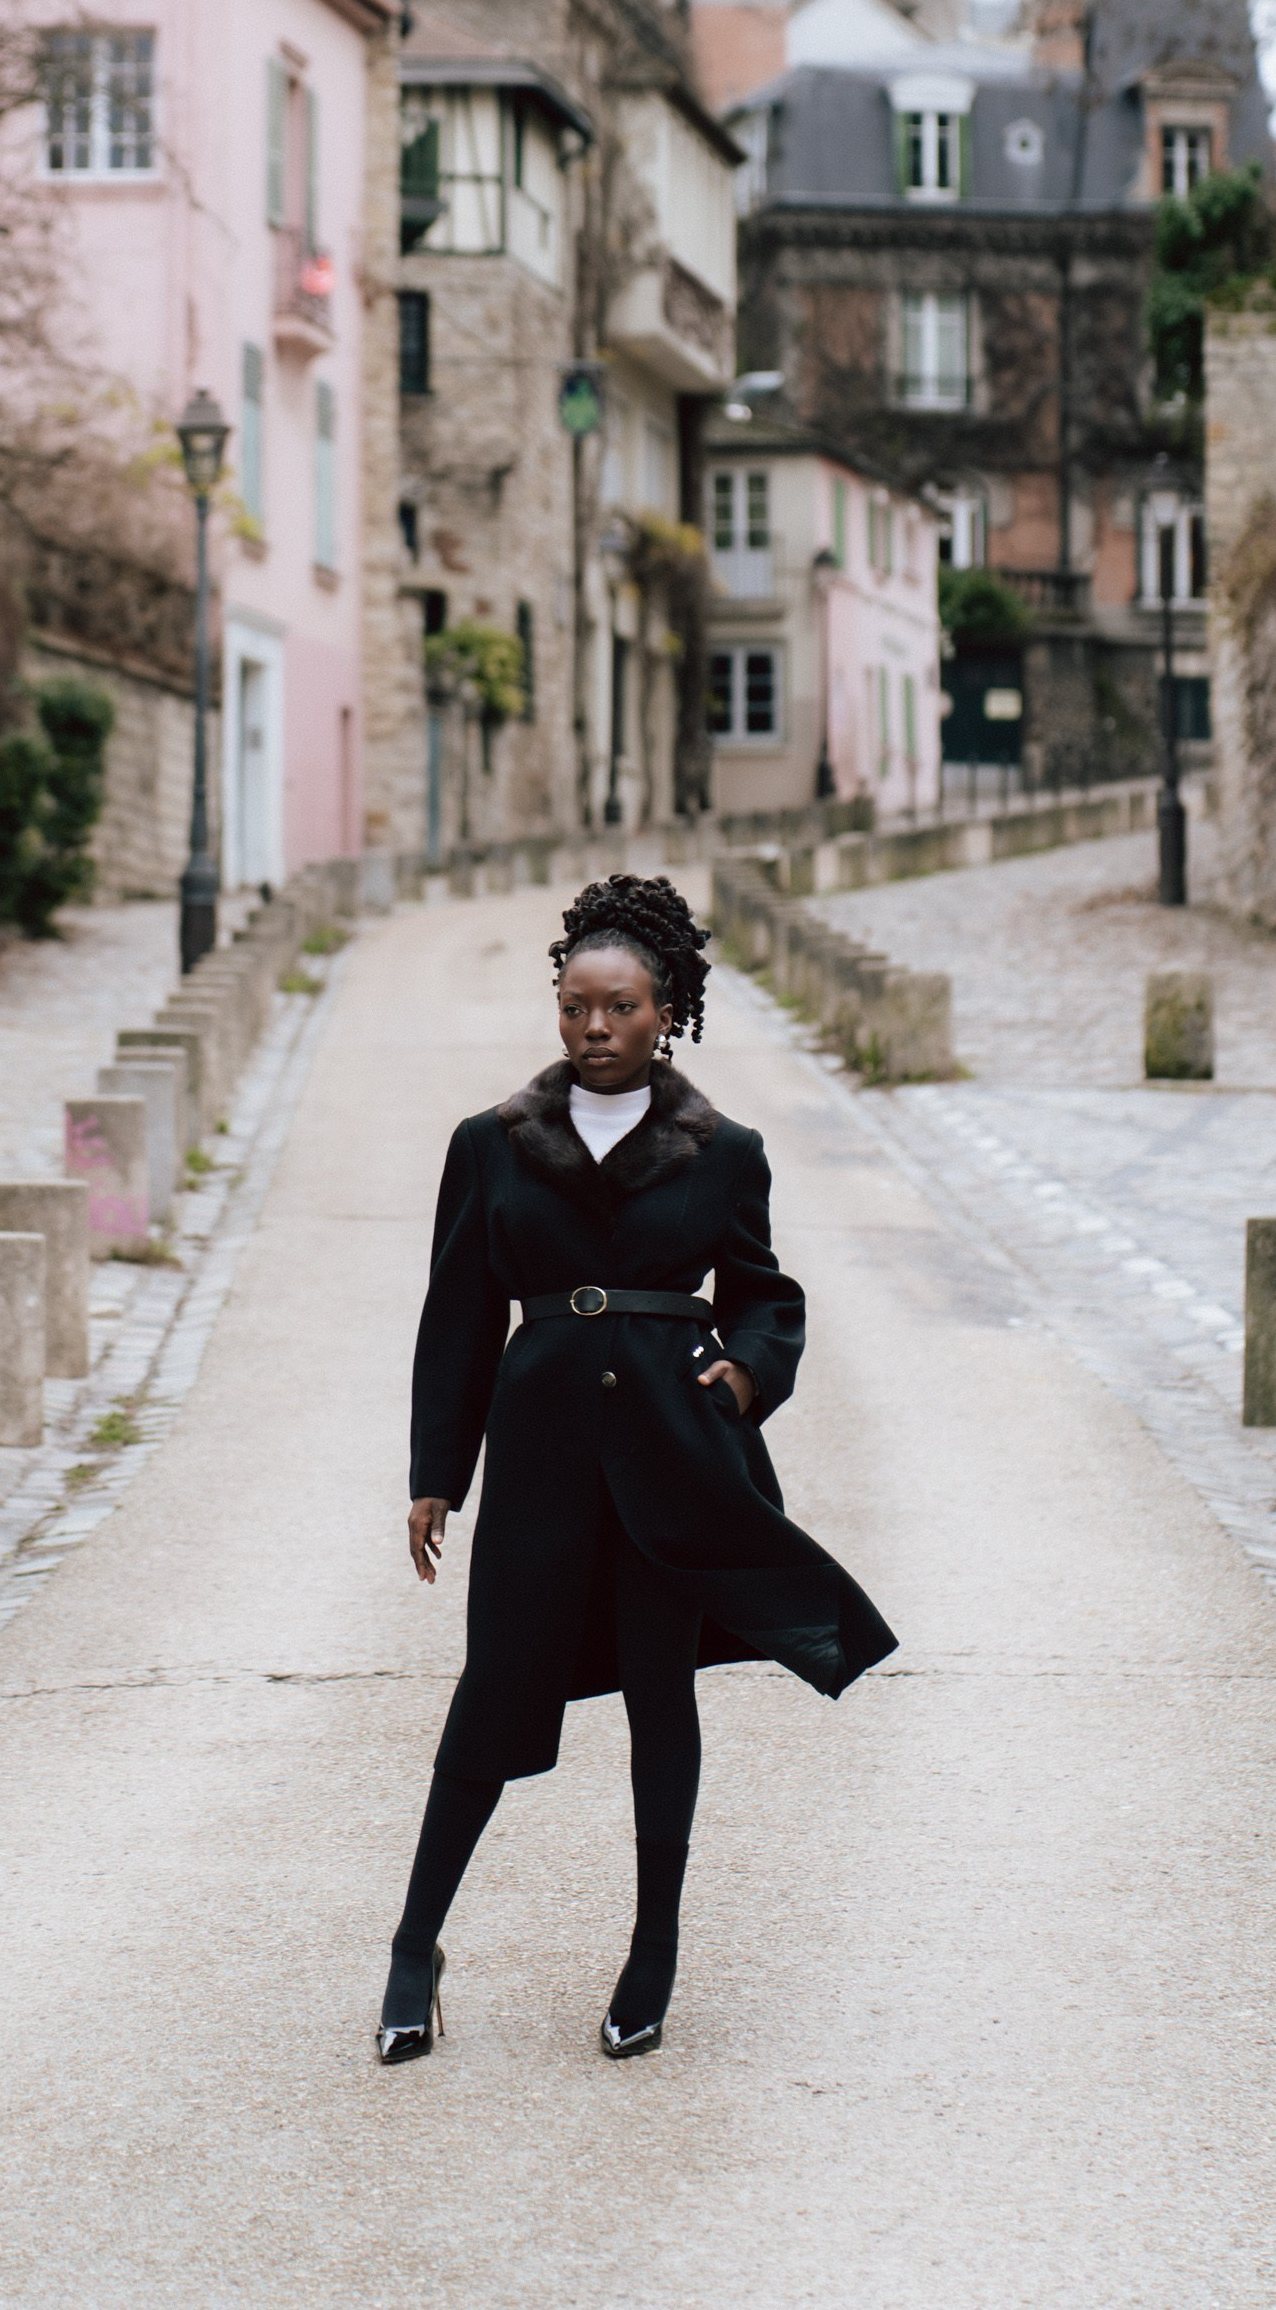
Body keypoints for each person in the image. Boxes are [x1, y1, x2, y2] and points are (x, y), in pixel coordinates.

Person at [376, 872, 896, 2065]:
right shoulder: (490, 1146)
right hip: (543, 1458)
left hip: (671, 1458)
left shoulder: (724, 1153)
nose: (594, 1028)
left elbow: (765, 1297)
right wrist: (433, 1476)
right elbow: (455, 1317)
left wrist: (747, 1375)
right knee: (491, 1691)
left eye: (618, 1007)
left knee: (663, 1698)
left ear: (667, 1011)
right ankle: (415, 1944)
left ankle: (651, 1945)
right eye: (573, 1007)